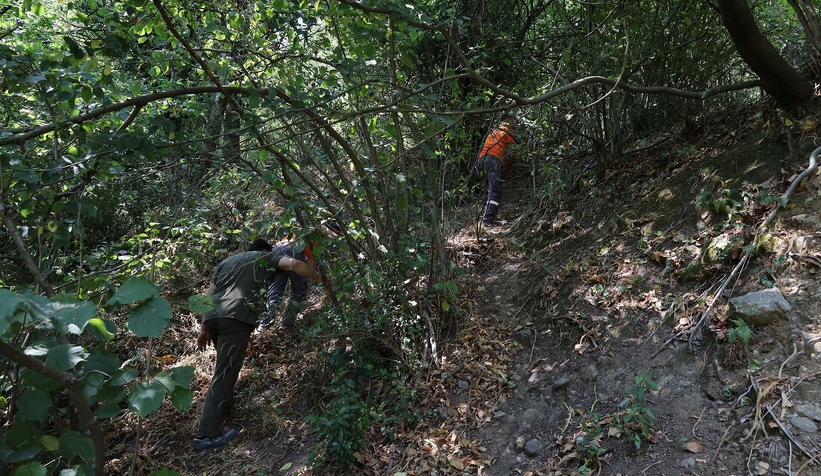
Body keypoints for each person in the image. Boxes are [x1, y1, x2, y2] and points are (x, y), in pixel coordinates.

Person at [193, 238, 321, 452]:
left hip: (214, 318)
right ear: (265, 251)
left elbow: (206, 297)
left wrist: (204, 328)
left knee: (226, 368)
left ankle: (223, 414)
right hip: (235, 318)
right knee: (225, 372)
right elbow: (296, 265)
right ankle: (205, 436)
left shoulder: (226, 262)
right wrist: (319, 278)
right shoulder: (265, 257)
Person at [265, 224, 338, 330]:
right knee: (300, 290)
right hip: (292, 250)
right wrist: (338, 236)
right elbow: (321, 226)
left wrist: (324, 286)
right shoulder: (314, 232)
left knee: (275, 292)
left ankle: (264, 325)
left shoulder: (312, 244)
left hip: (276, 250)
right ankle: (285, 324)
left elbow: (312, 270)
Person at [476, 114, 517, 225]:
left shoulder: (494, 132)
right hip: (493, 160)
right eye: (513, 122)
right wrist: (507, 171)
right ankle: (488, 219)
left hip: (482, 160)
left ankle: (489, 216)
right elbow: (512, 153)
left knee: (490, 189)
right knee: (495, 190)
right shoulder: (507, 132)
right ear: (507, 121)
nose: (514, 125)